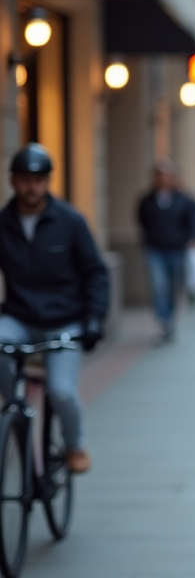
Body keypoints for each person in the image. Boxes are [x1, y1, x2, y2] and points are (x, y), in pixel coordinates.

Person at [0, 144, 109, 473]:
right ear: (13, 181)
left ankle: (75, 445)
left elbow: (96, 273)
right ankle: (15, 419)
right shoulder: (3, 222)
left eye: (38, 179)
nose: (31, 187)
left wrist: (94, 320)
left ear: (47, 181)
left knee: (61, 390)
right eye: (24, 179)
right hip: (19, 317)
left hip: (65, 320)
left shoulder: (70, 221)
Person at [137, 160, 195, 343]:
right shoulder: (146, 200)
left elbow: (193, 222)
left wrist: (192, 239)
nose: (163, 179)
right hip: (155, 250)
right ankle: (162, 321)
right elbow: (142, 221)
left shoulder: (184, 200)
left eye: (166, 176)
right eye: (159, 175)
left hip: (177, 250)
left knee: (173, 287)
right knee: (159, 287)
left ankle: (170, 318)